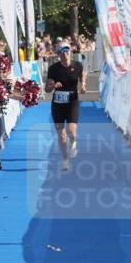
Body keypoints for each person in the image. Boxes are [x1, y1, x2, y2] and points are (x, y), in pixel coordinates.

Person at [45, 41, 86, 171]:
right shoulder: (54, 69)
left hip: (72, 102)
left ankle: (73, 143)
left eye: (67, 51)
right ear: (58, 54)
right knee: (61, 134)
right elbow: (47, 89)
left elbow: (82, 74)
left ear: (71, 52)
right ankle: (65, 160)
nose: (65, 54)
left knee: (71, 131)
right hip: (58, 104)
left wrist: (83, 84)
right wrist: (53, 85)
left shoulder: (77, 65)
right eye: (62, 52)